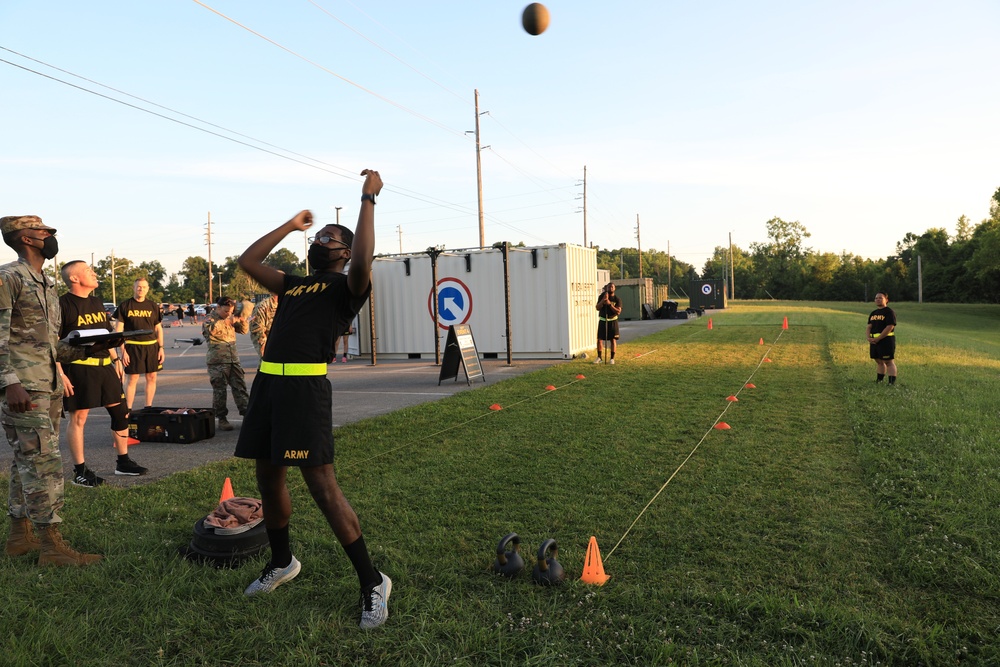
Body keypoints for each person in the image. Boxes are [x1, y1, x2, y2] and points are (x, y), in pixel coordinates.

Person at [235, 169, 391, 630]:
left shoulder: (349, 286)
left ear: (343, 252)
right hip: (269, 385)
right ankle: (282, 562)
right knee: (268, 478)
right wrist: (290, 226)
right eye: (318, 236)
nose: (319, 240)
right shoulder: (293, 284)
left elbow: (365, 256)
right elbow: (248, 260)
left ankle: (372, 581)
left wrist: (367, 199)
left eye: (328, 237)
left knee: (321, 486)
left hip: (304, 389)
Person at [0, 214, 121, 566]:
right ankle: (52, 547)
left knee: (28, 461)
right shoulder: (8, 277)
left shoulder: (46, 283)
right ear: (25, 238)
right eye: (43, 232)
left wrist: (91, 347)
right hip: (23, 388)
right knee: (44, 464)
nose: (51, 237)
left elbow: (50, 346)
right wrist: (9, 384)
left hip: (47, 385)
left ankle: (19, 536)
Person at [58, 261, 147, 486]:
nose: (94, 273)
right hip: (78, 367)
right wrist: (60, 373)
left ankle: (123, 462)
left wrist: (116, 358)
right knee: (79, 418)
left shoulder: (97, 302)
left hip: (105, 364)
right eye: (88, 270)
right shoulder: (62, 304)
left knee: (121, 412)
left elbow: (106, 334)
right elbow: (53, 343)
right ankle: (80, 471)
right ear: (75, 278)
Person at [114, 278, 164, 412]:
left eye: (144, 287)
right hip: (133, 346)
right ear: (134, 287)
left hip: (152, 346)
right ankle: (128, 409)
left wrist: (161, 348)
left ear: (148, 289)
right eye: (138, 287)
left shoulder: (153, 306)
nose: (141, 289)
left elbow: (158, 329)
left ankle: (148, 407)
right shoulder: (125, 306)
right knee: (132, 378)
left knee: (152, 377)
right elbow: (118, 331)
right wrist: (122, 351)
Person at [203, 295, 249, 431]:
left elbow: (244, 330)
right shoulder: (210, 319)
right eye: (225, 311)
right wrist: (228, 321)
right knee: (220, 391)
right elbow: (211, 330)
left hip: (233, 359)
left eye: (230, 311)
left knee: (240, 388)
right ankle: (222, 418)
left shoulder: (230, 317)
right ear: (218, 307)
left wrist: (242, 319)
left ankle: (247, 414)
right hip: (217, 361)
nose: (228, 313)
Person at [866, 291, 898, 385]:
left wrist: (879, 338)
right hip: (874, 341)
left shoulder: (889, 312)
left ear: (886, 300)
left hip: (886, 340)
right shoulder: (873, 313)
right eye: (876, 298)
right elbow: (869, 327)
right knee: (879, 361)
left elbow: (890, 327)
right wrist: (868, 338)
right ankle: (879, 380)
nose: (878, 299)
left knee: (888, 361)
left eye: (880, 298)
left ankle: (891, 383)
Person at [594, 282, 622, 364]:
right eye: (609, 287)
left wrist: (610, 304)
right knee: (600, 340)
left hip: (612, 321)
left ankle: (612, 358)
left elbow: (618, 311)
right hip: (603, 320)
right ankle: (599, 357)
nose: (611, 288)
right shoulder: (601, 297)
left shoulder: (617, 299)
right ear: (606, 288)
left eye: (612, 287)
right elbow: (597, 307)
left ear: (615, 288)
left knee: (613, 340)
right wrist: (603, 301)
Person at [249, 292, 278, 360]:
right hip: (271, 352)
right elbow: (257, 331)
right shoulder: (262, 307)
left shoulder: (287, 305)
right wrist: (266, 352)